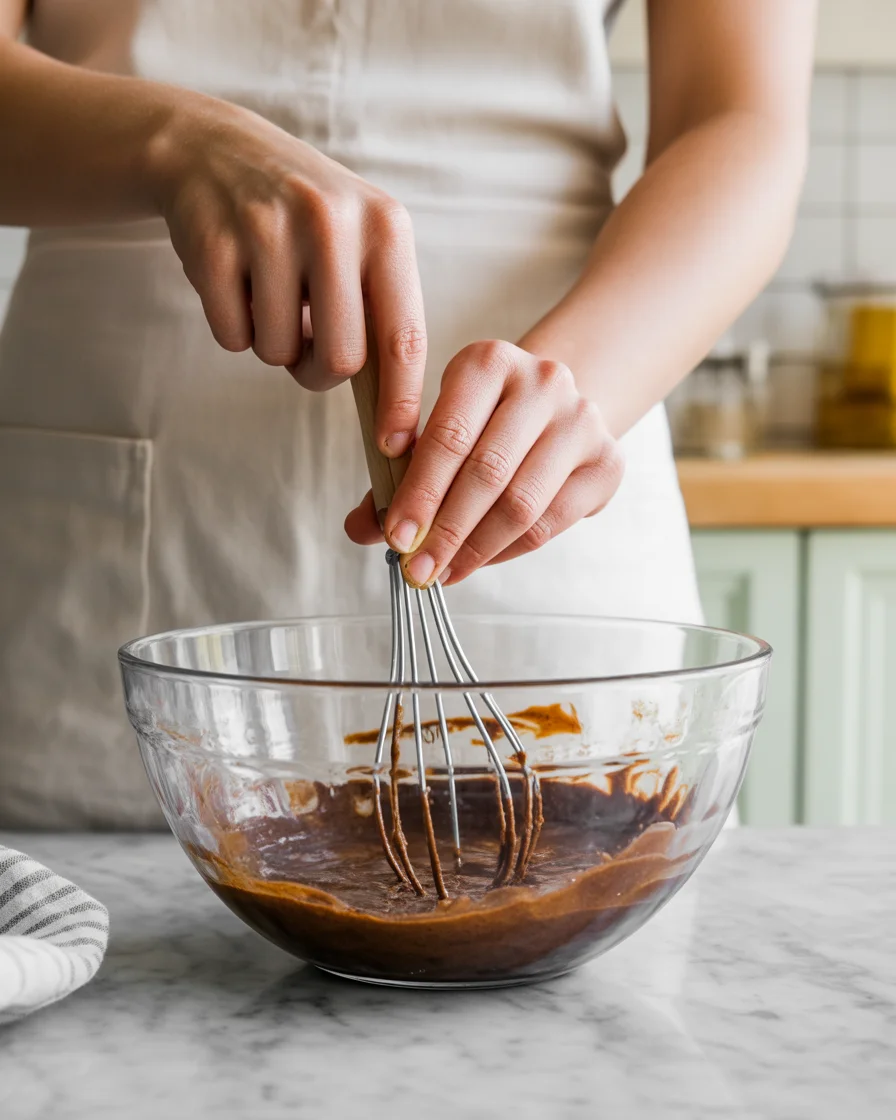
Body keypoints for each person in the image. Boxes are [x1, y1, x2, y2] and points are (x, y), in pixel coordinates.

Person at [0, 1, 815, 828]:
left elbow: (741, 121)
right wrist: (173, 141)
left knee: (593, 858)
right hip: (109, 526)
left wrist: (579, 385)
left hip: (554, 469)